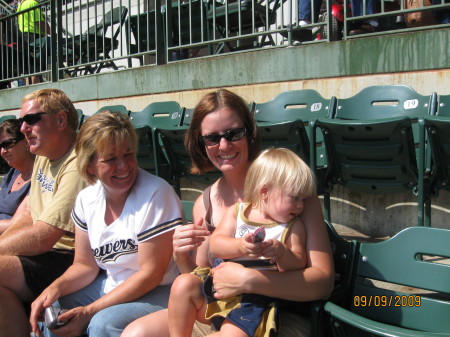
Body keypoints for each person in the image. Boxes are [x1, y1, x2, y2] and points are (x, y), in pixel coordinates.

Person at [121, 89, 334, 337]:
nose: (224, 145)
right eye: (211, 138)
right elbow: (201, 279)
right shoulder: (206, 202)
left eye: (234, 134)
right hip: (220, 308)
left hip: (277, 314)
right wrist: (181, 257)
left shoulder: (291, 192)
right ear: (201, 144)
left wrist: (249, 280)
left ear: (250, 133)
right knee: (135, 334)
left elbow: (322, 282)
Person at [29, 110, 184, 337]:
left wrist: (90, 311)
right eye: (110, 159)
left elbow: (152, 274)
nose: (123, 166)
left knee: (102, 324)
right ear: (89, 165)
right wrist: (53, 289)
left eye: (128, 154)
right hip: (112, 286)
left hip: (161, 290)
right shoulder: (86, 199)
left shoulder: (156, 193)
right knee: (53, 310)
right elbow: (85, 266)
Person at [168, 147, 316, 337]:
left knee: (232, 333)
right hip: (218, 290)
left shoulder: (293, 226)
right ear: (265, 192)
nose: (300, 206)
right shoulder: (238, 212)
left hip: (255, 301)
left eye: (303, 199)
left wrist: (282, 252)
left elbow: (298, 262)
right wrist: (239, 246)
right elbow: (216, 244)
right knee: (183, 283)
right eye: (294, 197)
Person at [0, 88, 86, 337]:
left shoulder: (77, 162)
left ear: (60, 120)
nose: (24, 128)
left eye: (31, 120)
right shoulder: (43, 155)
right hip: (44, 253)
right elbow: (28, 214)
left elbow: (45, 235)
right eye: (21, 121)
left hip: (68, 258)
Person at [0, 118, 35, 233]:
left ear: (26, 141)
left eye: (7, 144)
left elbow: (17, 223)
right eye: (0, 146)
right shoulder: (12, 173)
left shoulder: (38, 177)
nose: (3, 151)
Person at [16, 0, 50, 84]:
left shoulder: (21, 5)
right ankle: (35, 92)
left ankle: (30, 92)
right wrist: (52, 33)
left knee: (31, 69)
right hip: (35, 36)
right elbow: (39, 22)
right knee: (36, 68)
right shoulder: (32, 3)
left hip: (25, 37)